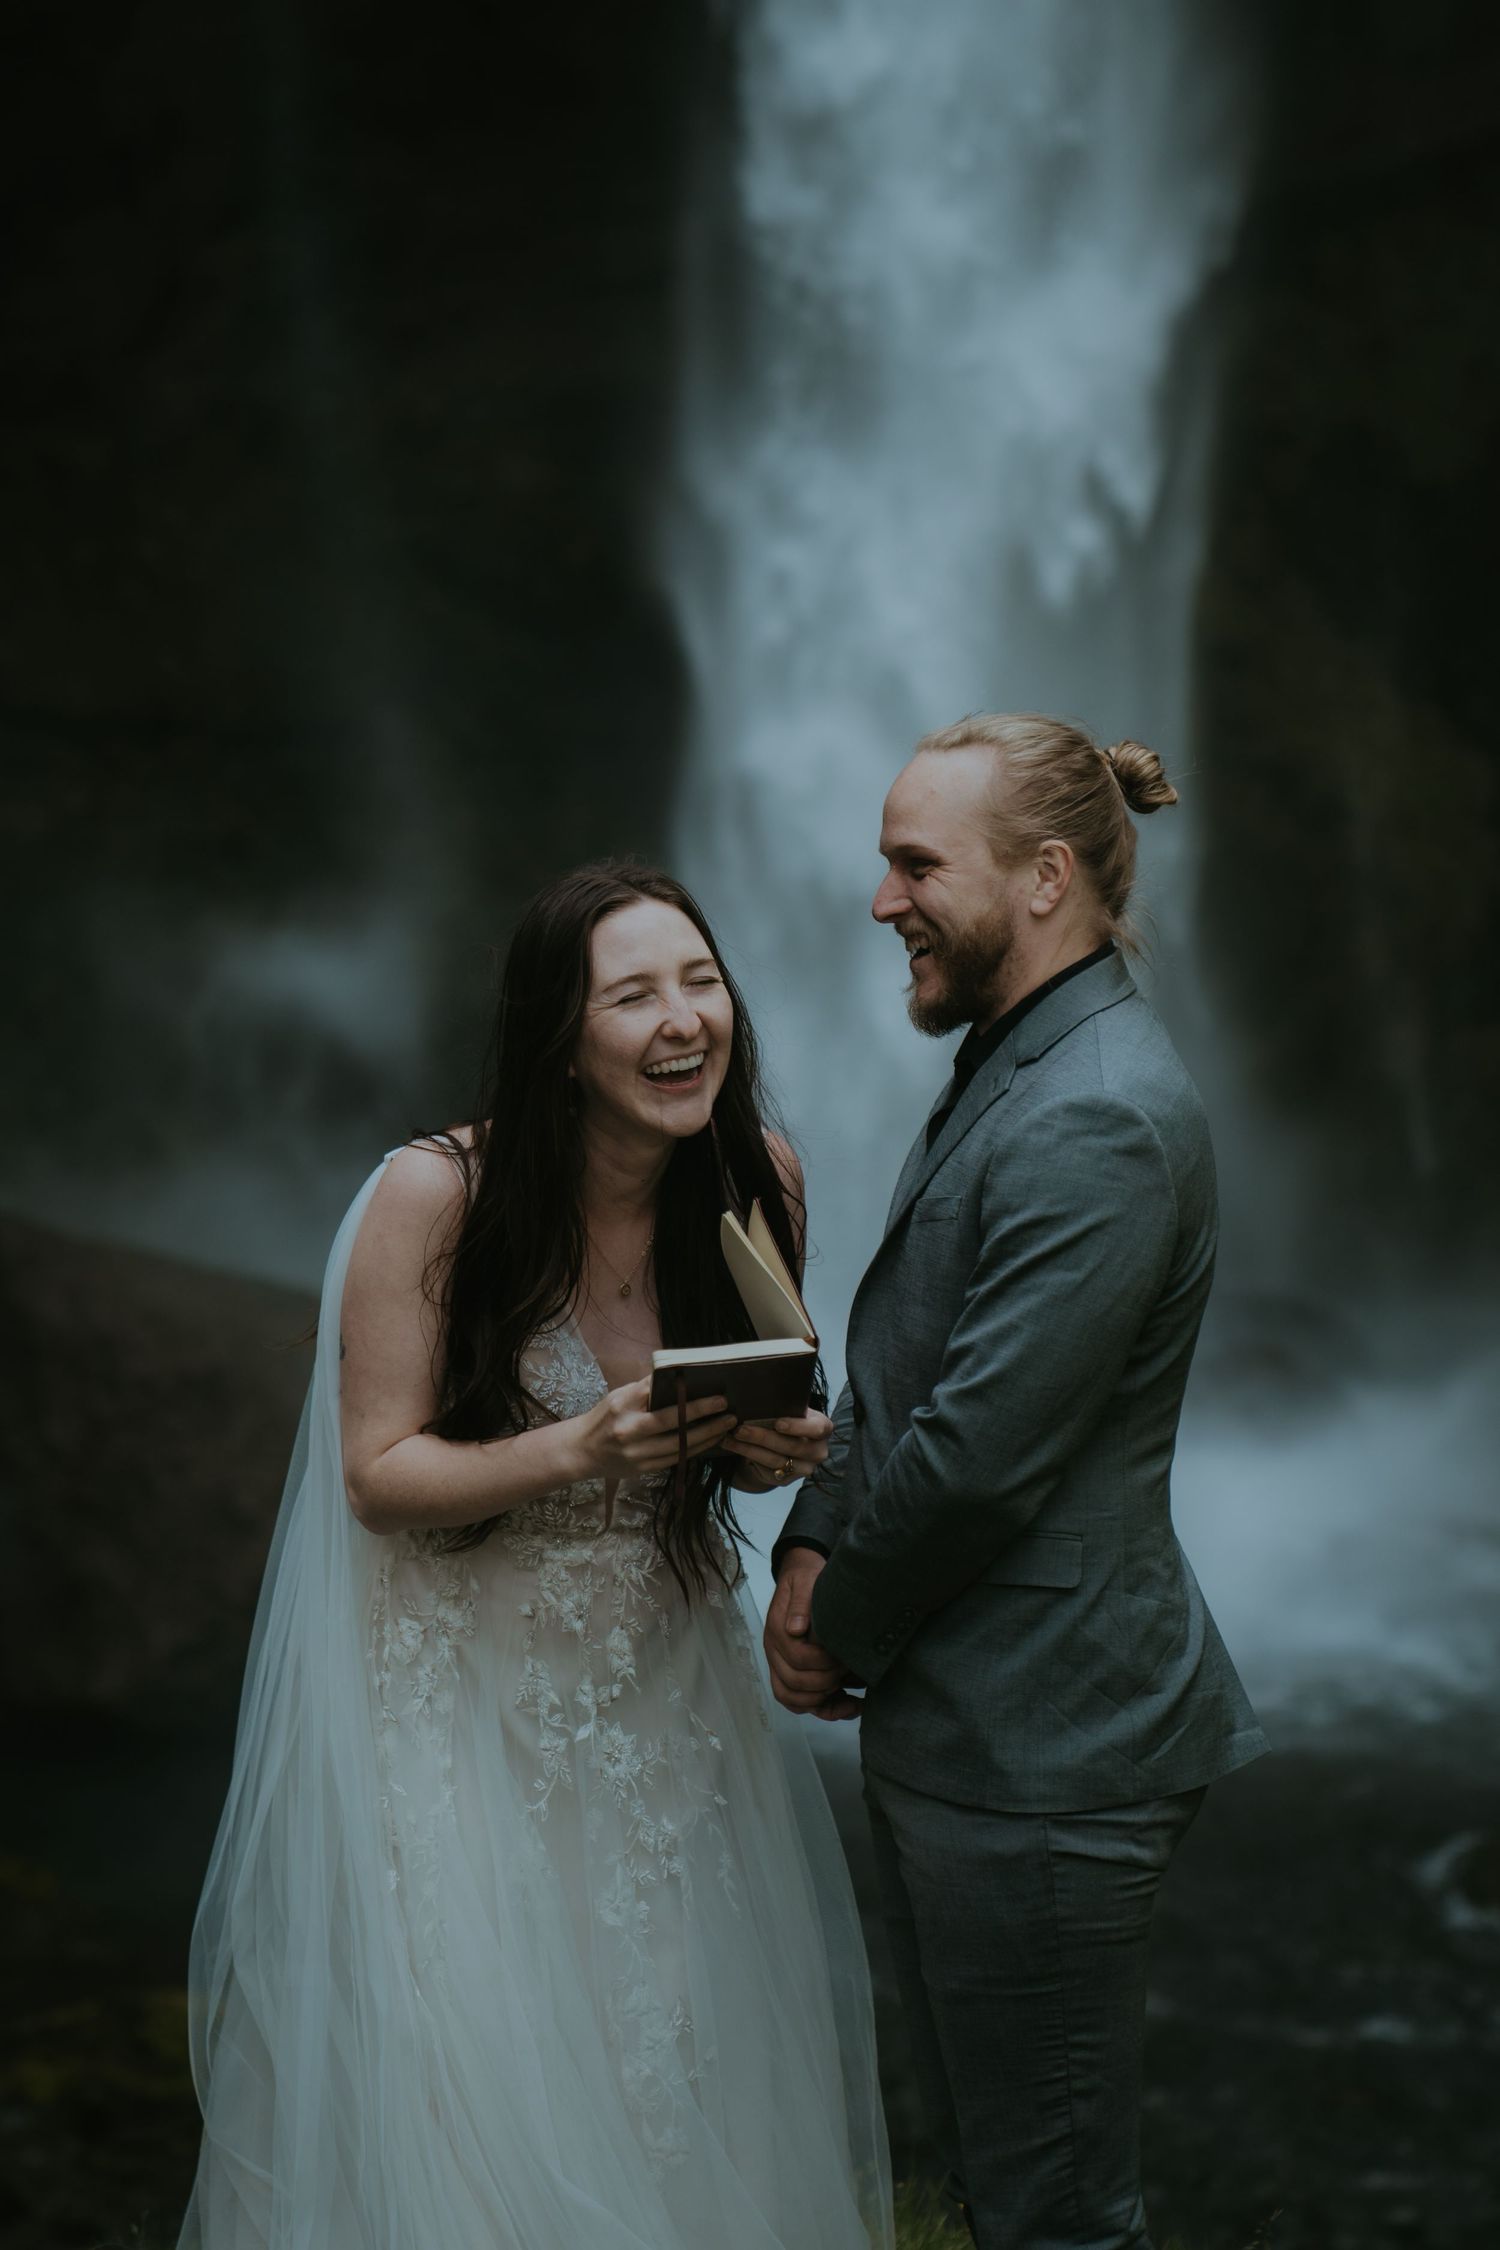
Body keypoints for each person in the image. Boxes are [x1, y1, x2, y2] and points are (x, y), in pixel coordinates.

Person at [177, 863, 893, 2250]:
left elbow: (755, 1405)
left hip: (663, 1684)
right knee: (474, 2055)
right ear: (562, 1034)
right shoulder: (432, 1197)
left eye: (701, 981)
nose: (684, 1020)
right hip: (460, 1688)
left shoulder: (762, 1180)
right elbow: (379, 1476)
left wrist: (759, 1454)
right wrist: (583, 1449)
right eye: (635, 995)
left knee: (672, 2028)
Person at [766, 713, 1269, 2250]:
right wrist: (811, 1534)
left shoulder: (1099, 1108)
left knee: (1057, 2214)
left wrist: (836, 1619)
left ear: (1046, 877)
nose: (880, 900)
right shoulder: (1027, 1052)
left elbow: (984, 1453)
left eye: (916, 864)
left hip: (1052, 1745)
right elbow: (909, 1349)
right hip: (991, 1724)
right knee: (1010, 2183)